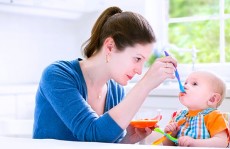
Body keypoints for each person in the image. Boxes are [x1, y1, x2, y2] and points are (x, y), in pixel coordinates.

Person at [33, 6, 177, 144]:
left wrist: (127, 140)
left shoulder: (116, 90)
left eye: (143, 62)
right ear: (110, 46)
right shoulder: (57, 75)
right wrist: (145, 85)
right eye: (137, 59)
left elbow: (100, 144)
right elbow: (93, 134)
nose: (139, 71)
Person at [162, 70, 229, 147]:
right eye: (186, 83)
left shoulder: (214, 116)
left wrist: (194, 143)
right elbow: (167, 145)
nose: (185, 86)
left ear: (212, 99)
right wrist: (171, 135)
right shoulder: (178, 116)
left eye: (194, 84)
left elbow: (222, 143)